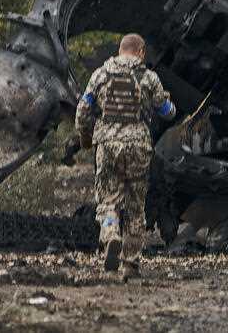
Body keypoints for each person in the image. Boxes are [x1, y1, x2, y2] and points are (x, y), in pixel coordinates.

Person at [75, 33, 176, 280]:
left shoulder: (100, 75)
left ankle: (110, 234)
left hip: (107, 145)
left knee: (108, 200)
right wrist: (169, 104)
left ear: (120, 51)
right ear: (140, 52)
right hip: (138, 147)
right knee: (135, 207)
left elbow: (83, 111)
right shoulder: (149, 78)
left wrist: (87, 139)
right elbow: (167, 112)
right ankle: (130, 264)